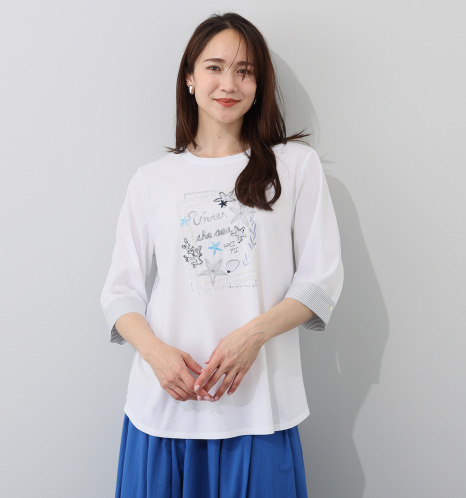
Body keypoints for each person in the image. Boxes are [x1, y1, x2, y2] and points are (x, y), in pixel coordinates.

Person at [100, 11, 344, 498]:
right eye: (214, 67)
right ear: (189, 77)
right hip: (165, 410)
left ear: (259, 84)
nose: (229, 83)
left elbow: (320, 280)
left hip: (259, 408)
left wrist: (251, 337)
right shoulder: (153, 180)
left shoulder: (295, 166)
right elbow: (119, 293)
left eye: (244, 71)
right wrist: (156, 355)